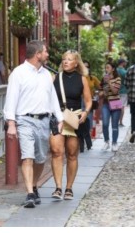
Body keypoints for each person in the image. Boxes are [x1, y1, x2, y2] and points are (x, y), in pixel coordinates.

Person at [3, 40, 64, 208]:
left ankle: (34, 186)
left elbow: (53, 98)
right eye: (45, 52)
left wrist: (60, 119)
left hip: (44, 121)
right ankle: (29, 193)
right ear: (37, 54)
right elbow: (11, 100)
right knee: (27, 157)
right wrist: (11, 123)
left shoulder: (46, 74)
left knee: (40, 158)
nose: (47, 54)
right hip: (25, 120)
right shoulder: (18, 73)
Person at [50, 50, 92, 200]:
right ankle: (58, 187)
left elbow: (88, 101)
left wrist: (86, 113)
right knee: (56, 151)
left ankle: (69, 188)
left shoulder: (82, 79)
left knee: (72, 154)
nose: (65, 62)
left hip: (74, 119)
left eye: (69, 59)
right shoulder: (55, 77)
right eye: (64, 59)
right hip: (58, 117)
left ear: (76, 63)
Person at [99, 61, 122, 152]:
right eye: (106, 67)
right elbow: (100, 92)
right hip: (106, 104)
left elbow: (115, 91)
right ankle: (106, 141)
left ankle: (114, 143)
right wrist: (102, 93)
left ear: (113, 69)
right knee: (105, 124)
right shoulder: (103, 79)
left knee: (115, 125)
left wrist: (109, 82)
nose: (106, 69)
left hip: (115, 103)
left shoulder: (118, 79)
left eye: (108, 67)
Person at [83, 60, 101, 151]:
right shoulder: (79, 77)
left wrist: (97, 94)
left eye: (87, 66)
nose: (86, 68)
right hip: (78, 101)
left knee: (89, 122)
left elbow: (101, 86)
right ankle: (80, 143)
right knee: (78, 122)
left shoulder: (92, 78)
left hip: (88, 101)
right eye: (84, 66)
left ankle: (88, 143)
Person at [116, 58, 128, 127]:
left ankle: (115, 121)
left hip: (115, 91)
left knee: (116, 106)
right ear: (122, 63)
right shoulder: (124, 72)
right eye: (125, 62)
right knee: (122, 107)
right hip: (123, 91)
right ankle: (120, 121)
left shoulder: (115, 71)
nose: (125, 64)